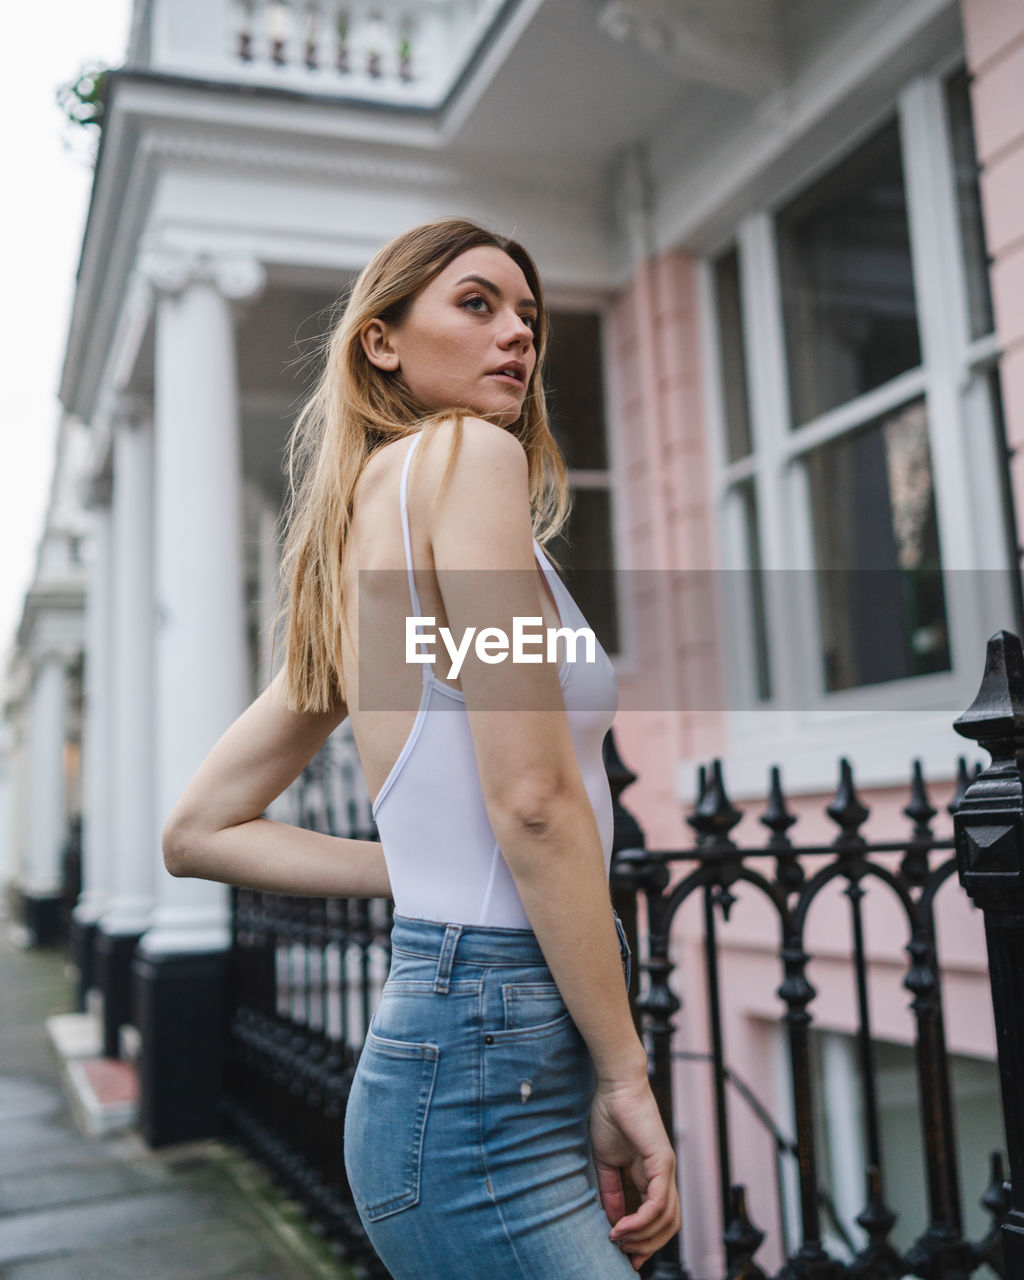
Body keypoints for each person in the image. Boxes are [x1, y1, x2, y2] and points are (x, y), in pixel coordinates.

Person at [162, 216, 681, 1276]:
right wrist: (626, 1072)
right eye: (477, 304)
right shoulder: (469, 458)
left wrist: (427, 868)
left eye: (528, 315)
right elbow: (533, 798)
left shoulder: (362, 545)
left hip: (469, 1043)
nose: (517, 337)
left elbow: (196, 828)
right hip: (487, 1046)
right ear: (381, 341)